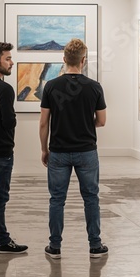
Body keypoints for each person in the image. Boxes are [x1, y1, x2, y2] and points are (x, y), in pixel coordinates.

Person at [39, 38, 108, 260]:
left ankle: (55, 247)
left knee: (57, 199)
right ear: (83, 60)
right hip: (87, 151)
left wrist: (44, 149)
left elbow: (43, 123)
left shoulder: (51, 86)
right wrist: (86, 125)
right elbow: (102, 121)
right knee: (91, 198)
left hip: (58, 150)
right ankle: (95, 246)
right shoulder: (94, 87)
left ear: (64, 59)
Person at [0, 42, 27, 255]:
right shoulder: (5, 89)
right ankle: (1, 240)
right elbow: (9, 122)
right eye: (8, 59)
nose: (11, 62)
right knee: (0, 197)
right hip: (2, 151)